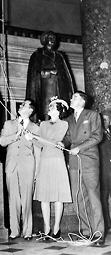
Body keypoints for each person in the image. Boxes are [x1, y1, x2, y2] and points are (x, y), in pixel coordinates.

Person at [25, 97, 72, 240]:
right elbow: (41, 145)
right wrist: (31, 139)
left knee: (58, 196)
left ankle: (56, 227)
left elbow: (55, 144)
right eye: (50, 106)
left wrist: (37, 137)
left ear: (60, 110)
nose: (49, 108)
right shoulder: (43, 124)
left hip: (57, 160)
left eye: (53, 106)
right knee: (44, 196)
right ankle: (47, 228)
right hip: (45, 160)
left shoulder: (63, 124)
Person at [64, 91, 104, 244]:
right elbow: (68, 138)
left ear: (83, 101)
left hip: (89, 160)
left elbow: (97, 136)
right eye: (72, 96)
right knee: (79, 197)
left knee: (93, 196)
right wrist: (62, 144)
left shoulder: (92, 115)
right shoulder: (68, 119)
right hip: (74, 162)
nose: (71, 99)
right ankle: (87, 231)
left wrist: (80, 148)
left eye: (74, 97)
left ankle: (98, 233)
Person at [0, 99, 40, 240]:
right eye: (21, 104)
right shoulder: (9, 124)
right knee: (13, 198)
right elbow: (2, 141)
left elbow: (39, 147)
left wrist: (32, 139)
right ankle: (14, 230)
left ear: (30, 111)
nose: (21, 106)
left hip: (28, 165)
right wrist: (15, 136)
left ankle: (27, 231)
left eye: (25, 105)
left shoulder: (35, 128)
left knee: (27, 198)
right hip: (11, 165)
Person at [26, 30, 75, 122]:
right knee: (46, 110)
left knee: (60, 111)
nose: (53, 40)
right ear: (44, 40)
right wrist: (51, 72)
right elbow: (35, 74)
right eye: (50, 38)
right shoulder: (38, 55)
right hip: (45, 87)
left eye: (54, 38)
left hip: (59, 87)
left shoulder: (60, 56)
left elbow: (66, 75)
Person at [99, 109, 111, 234]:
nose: (103, 122)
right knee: (103, 197)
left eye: (106, 119)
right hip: (103, 170)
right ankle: (107, 224)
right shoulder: (99, 135)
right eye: (102, 119)